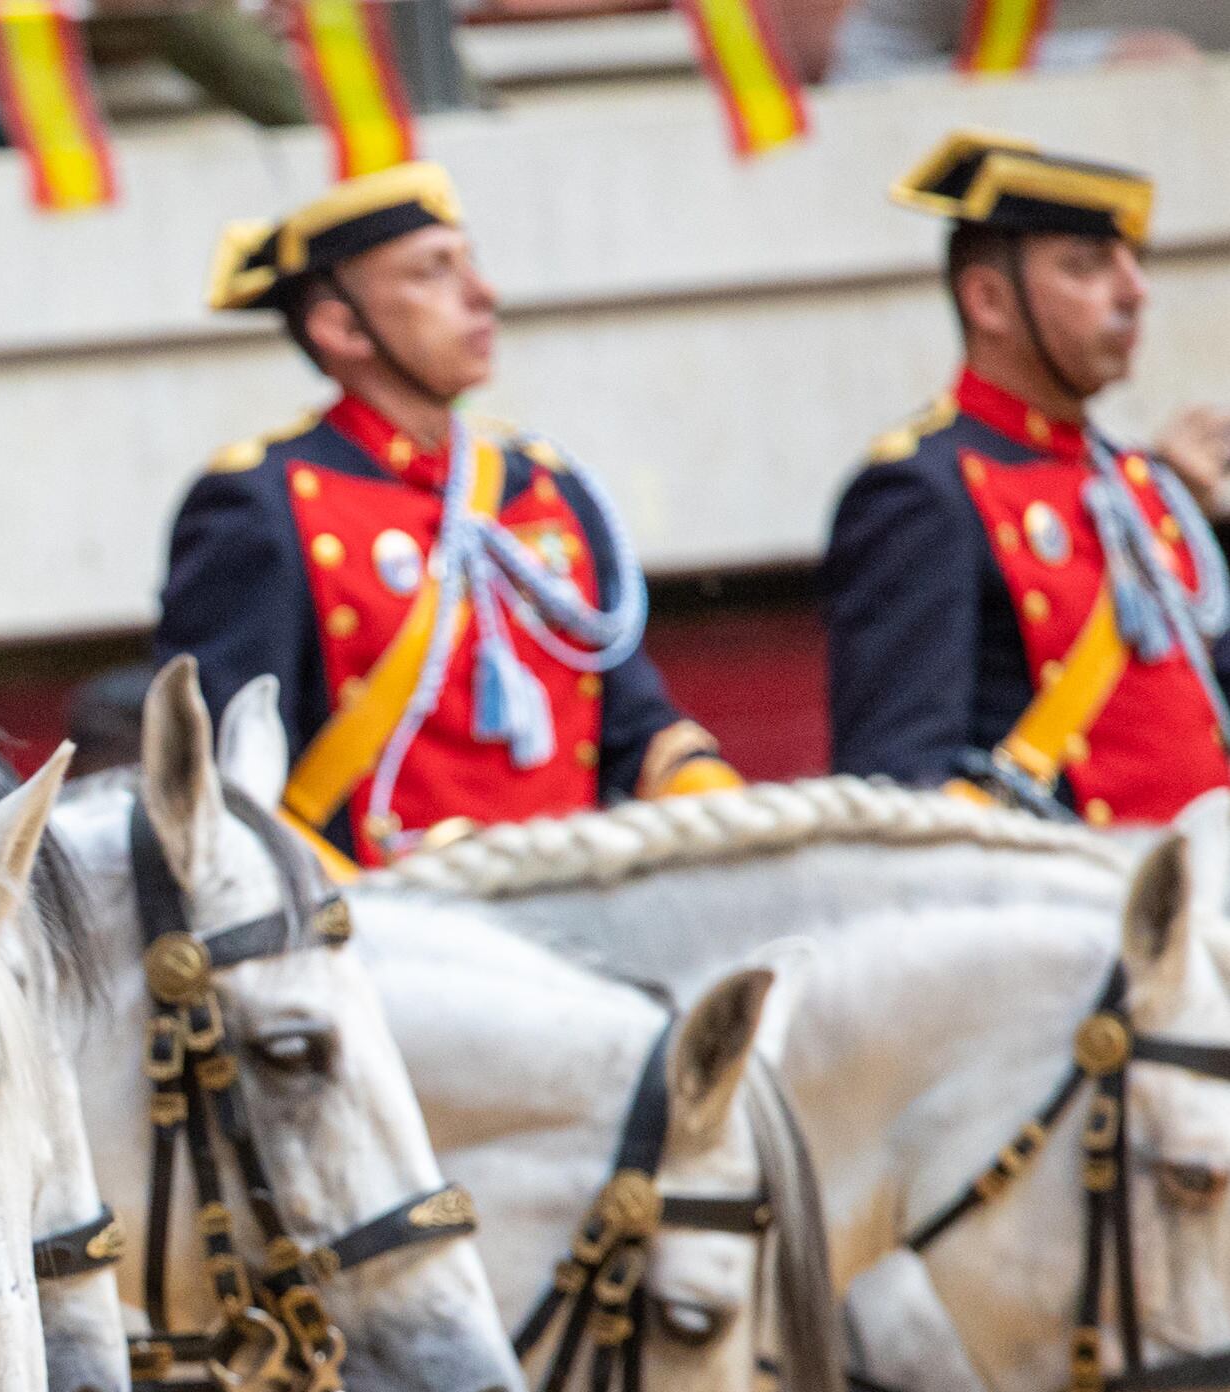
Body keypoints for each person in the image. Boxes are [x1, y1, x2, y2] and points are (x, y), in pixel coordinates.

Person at [151, 162, 736, 869]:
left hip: (577, 907)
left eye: (470, 265)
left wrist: (736, 815)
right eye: (432, 273)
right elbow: (227, 787)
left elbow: (634, 728)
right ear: (340, 326)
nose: (481, 295)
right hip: (390, 942)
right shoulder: (259, 504)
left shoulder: (543, 484)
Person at [825, 135, 1230, 823]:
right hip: (1069, 914)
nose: (1134, 292)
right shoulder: (921, 491)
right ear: (987, 301)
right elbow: (899, 791)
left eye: (1131, 265)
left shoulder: (1147, 485)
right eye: (1085, 266)